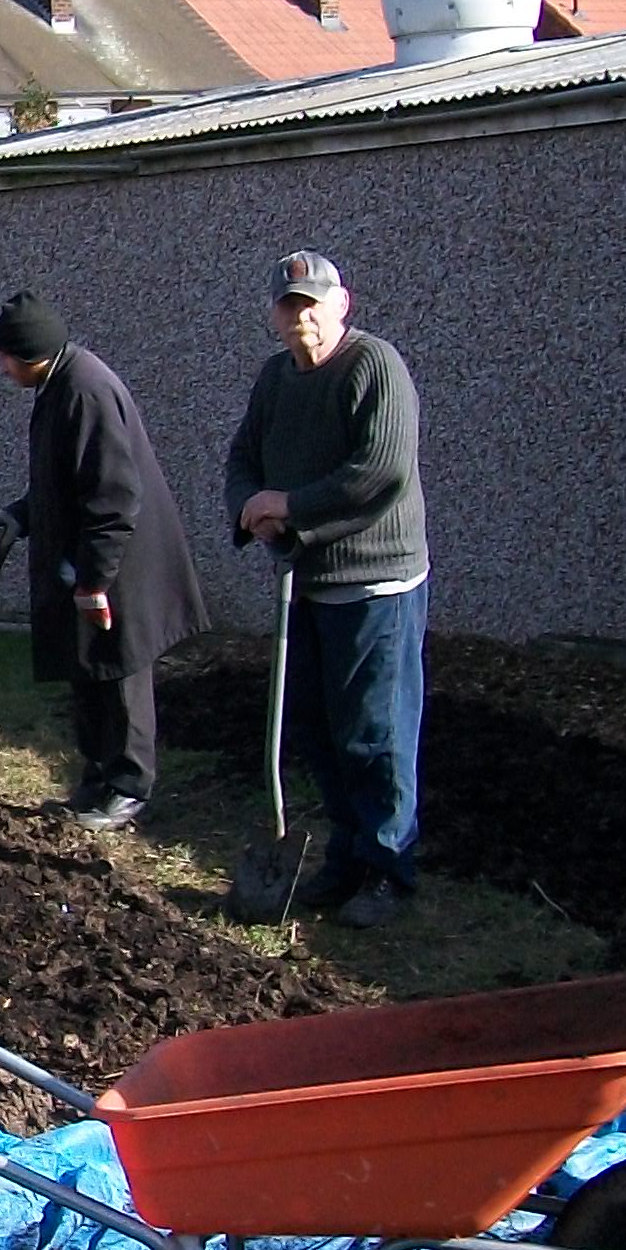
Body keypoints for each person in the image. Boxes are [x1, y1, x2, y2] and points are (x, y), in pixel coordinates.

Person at [224, 250, 430, 928]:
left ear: (342, 304)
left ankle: (388, 870)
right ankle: (345, 856)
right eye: (289, 304)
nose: (300, 316)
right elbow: (243, 456)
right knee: (316, 729)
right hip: (305, 582)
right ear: (274, 315)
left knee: (374, 731)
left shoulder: (374, 367)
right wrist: (250, 506)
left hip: (375, 584)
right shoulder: (276, 378)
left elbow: (379, 473)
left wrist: (291, 508)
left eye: (312, 302)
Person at [0, 295, 208, 832]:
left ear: (32, 352)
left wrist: (94, 581)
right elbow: (64, 480)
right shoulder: (56, 385)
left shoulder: (86, 390)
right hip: (86, 557)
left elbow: (113, 495)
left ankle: (129, 788)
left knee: (120, 671)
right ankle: (95, 779)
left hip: (121, 563)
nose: (1, 367)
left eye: (6, 357)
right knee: (87, 668)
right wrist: (23, 515)